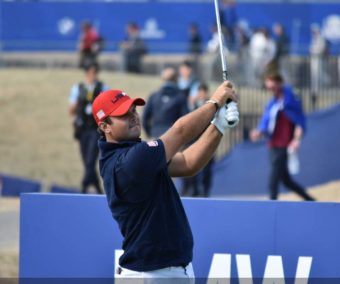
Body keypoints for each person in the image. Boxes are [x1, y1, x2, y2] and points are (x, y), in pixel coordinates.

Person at [92, 81, 239, 281]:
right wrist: (214, 103)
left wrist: (219, 125)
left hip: (165, 272)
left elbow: (188, 163)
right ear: (104, 126)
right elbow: (180, 131)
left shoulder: (131, 155)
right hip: (150, 275)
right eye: (123, 114)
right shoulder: (130, 162)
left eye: (134, 110)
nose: (134, 116)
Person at [250, 73, 315, 201]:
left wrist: (296, 140)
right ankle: (311, 201)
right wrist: (259, 132)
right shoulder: (272, 104)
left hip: (284, 146)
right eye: (268, 87)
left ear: (279, 83)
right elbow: (266, 123)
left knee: (273, 181)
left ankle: (271, 207)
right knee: (286, 181)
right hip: (272, 146)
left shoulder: (291, 101)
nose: (270, 90)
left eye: (272, 86)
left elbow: (299, 123)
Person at [68, 62, 108, 194]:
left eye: (95, 72)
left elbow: (108, 108)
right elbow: (71, 109)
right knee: (86, 159)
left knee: (91, 158)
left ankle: (84, 187)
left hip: (95, 128)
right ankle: (96, 187)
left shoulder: (102, 87)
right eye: (91, 72)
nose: (93, 75)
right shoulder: (78, 88)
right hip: (82, 128)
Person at [181, 83, 215, 197]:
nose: (201, 95)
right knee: (192, 166)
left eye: (203, 92)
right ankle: (194, 190)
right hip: (194, 141)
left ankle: (205, 191)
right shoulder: (191, 105)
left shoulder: (211, 106)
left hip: (207, 140)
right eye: (199, 92)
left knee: (207, 169)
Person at [142, 67, 188, 138]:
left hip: (155, 135)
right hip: (173, 136)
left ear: (162, 79)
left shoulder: (154, 96)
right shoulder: (181, 97)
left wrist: (149, 132)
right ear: (176, 79)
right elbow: (185, 119)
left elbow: (144, 118)